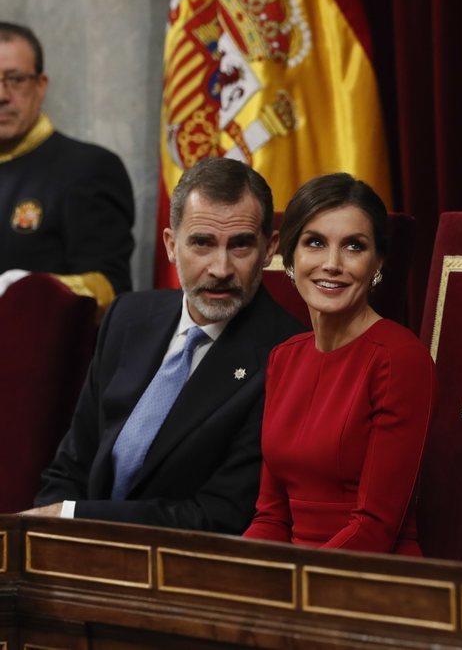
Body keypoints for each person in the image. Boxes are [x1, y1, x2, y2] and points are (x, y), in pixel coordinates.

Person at [29, 157, 304, 533]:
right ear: (172, 245)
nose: (220, 268)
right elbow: (71, 465)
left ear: (269, 248)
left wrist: (71, 518)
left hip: (187, 572)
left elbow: (218, 515)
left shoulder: (287, 355)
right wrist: (51, 539)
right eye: (202, 244)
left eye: (240, 245)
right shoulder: (128, 318)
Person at [242, 173, 437, 554]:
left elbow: (375, 528)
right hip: (295, 579)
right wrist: (233, 572)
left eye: (353, 246)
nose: (332, 263)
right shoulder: (284, 358)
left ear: (378, 261)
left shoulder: (400, 358)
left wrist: (293, 589)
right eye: (315, 242)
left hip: (368, 576)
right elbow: (271, 517)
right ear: (290, 257)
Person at [0, 22, 134, 308]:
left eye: (15, 79)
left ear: (40, 86)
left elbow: (111, 288)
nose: (2, 95)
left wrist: (30, 289)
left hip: (36, 349)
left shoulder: (88, 168)